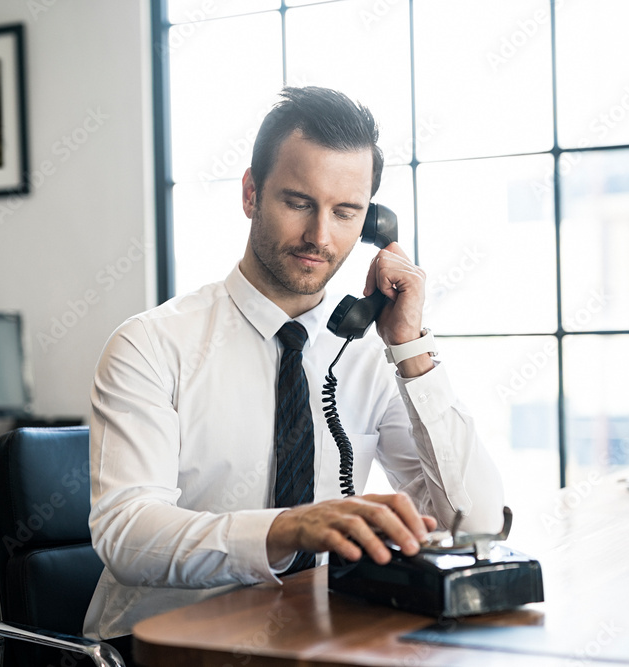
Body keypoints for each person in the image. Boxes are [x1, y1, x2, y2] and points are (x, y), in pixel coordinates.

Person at [83, 86, 504, 643]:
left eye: (346, 212)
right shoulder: (150, 344)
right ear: (251, 194)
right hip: (165, 648)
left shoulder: (368, 355)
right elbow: (127, 533)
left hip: (318, 640)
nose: (320, 237)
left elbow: (477, 527)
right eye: (298, 202)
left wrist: (411, 349)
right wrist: (288, 529)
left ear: (372, 224)